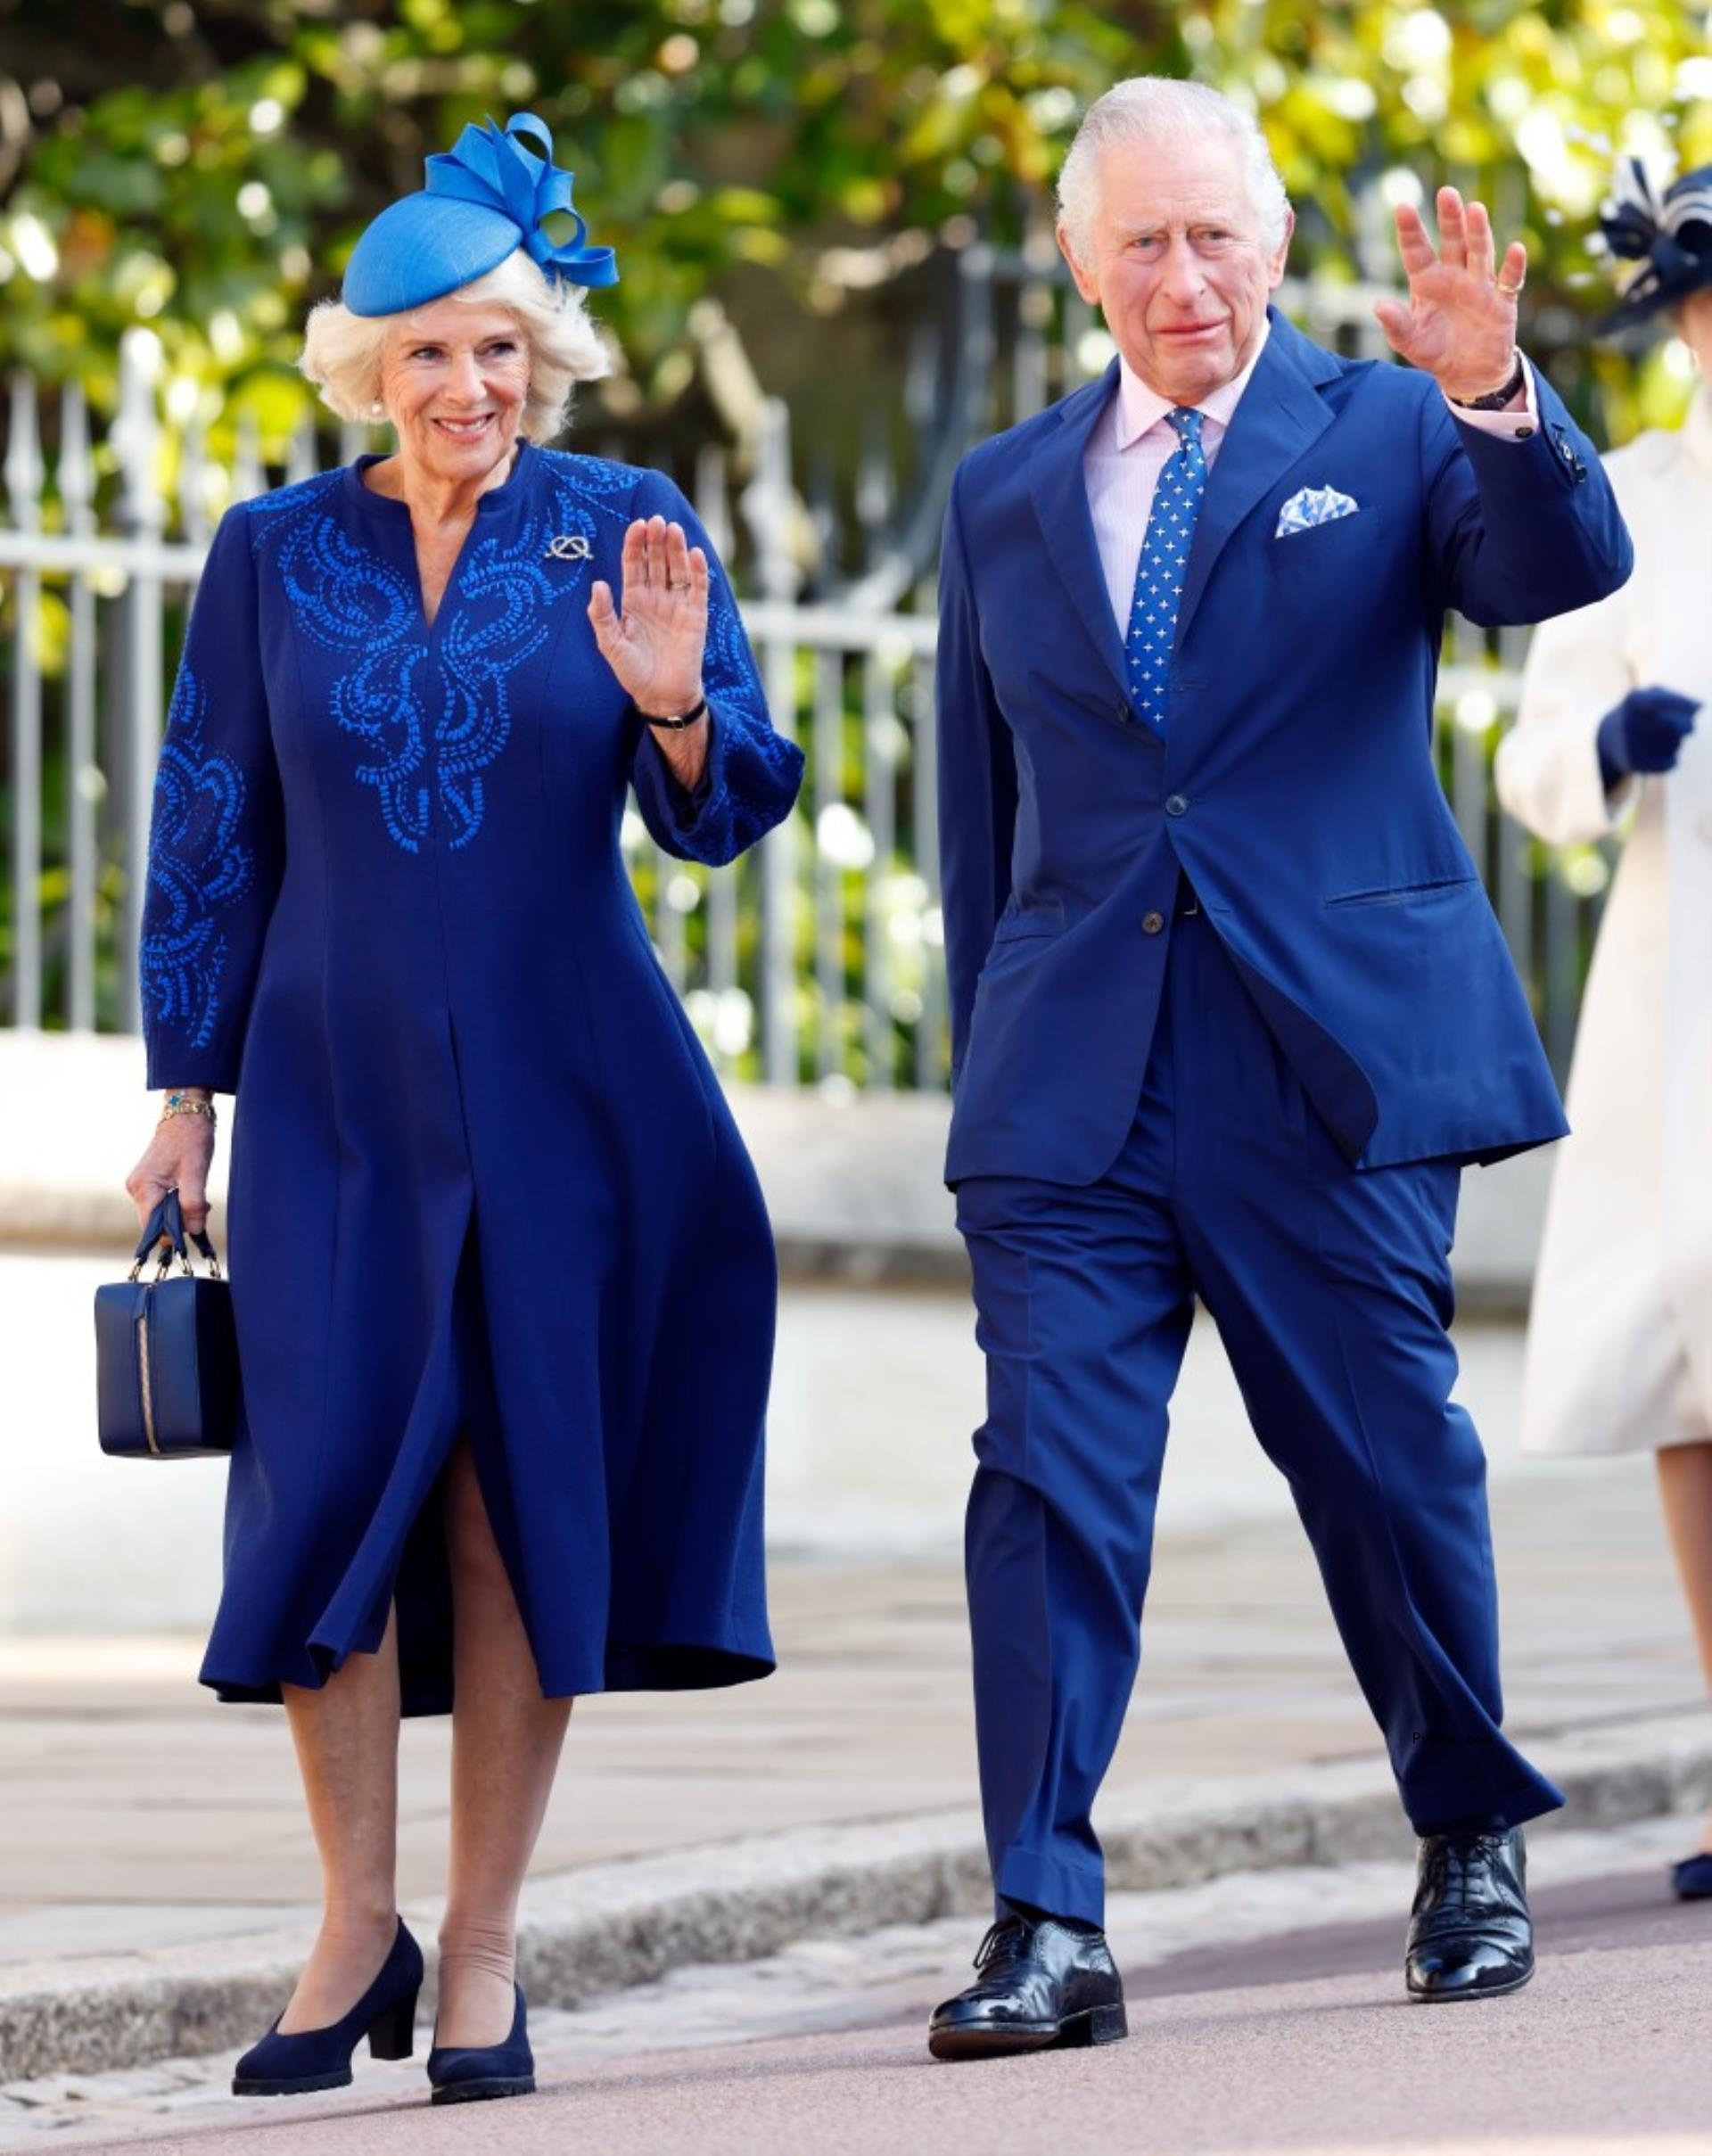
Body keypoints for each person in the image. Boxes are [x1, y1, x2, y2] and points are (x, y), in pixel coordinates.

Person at [929, 74, 1633, 2058]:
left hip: (1319, 1060)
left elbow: (1548, 570)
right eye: (1139, 240)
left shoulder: (1391, 426)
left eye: (1215, 234)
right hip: (1075, 1080)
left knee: (1381, 1466)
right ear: (1080, 263)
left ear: (1277, 248)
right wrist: (997, 1071)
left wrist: (1503, 401)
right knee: (1046, 1480)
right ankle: (1047, 1919)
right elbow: (989, 809)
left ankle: (1470, 1833)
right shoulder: (999, 489)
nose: (1183, 277)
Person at [125, 111, 803, 2106]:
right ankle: (355, 1925)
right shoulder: (272, 554)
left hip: (564, 1090)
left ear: (547, 359)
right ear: (365, 369)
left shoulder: (626, 523)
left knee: (512, 1516)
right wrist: (189, 1089)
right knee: (328, 1490)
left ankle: (487, 1946)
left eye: (503, 347)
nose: (470, 386)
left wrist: (680, 705)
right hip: (331, 1099)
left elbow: (730, 804)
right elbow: (207, 822)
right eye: (430, 351)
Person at [1494, 152, 1711, 1902]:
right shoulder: (1628, 500)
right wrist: (1610, 746)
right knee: (1692, 1379)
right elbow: (1530, 754)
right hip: (1683, 986)